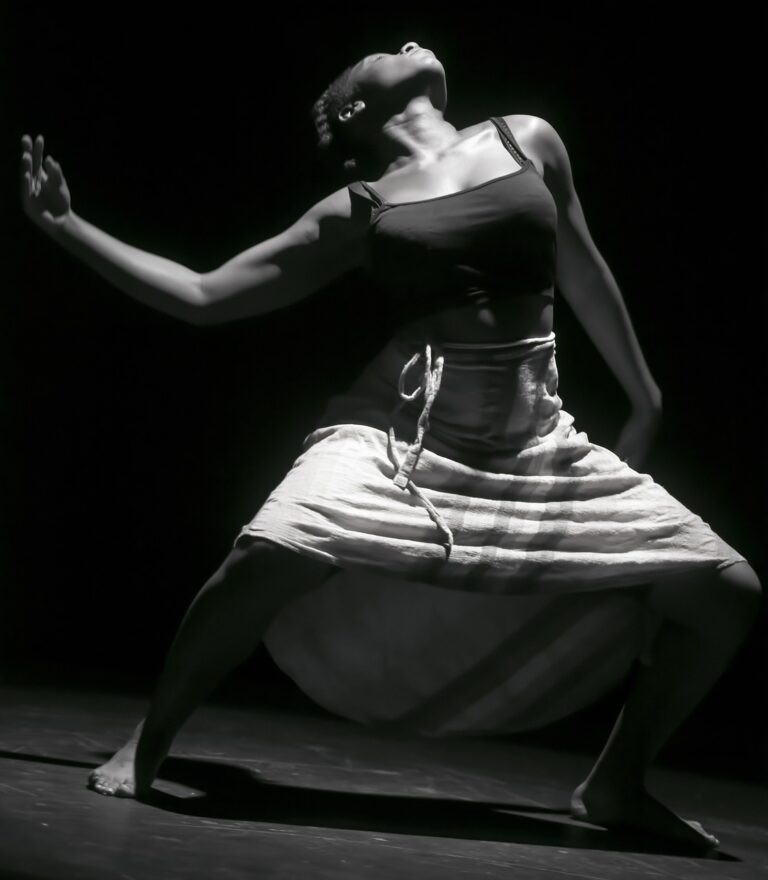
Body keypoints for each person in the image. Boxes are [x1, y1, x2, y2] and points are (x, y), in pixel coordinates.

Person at [20, 39, 761, 850]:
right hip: (404, 435)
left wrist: (644, 396)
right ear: (350, 108)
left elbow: (584, 272)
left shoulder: (526, 138)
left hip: (535, 437)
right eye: (384, 48)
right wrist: (66, 226)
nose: (409, 41)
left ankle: (616, 781)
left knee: (727, 592)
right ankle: (152, 738)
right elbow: (207, 294)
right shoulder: (360, 205)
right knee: (267, 553)